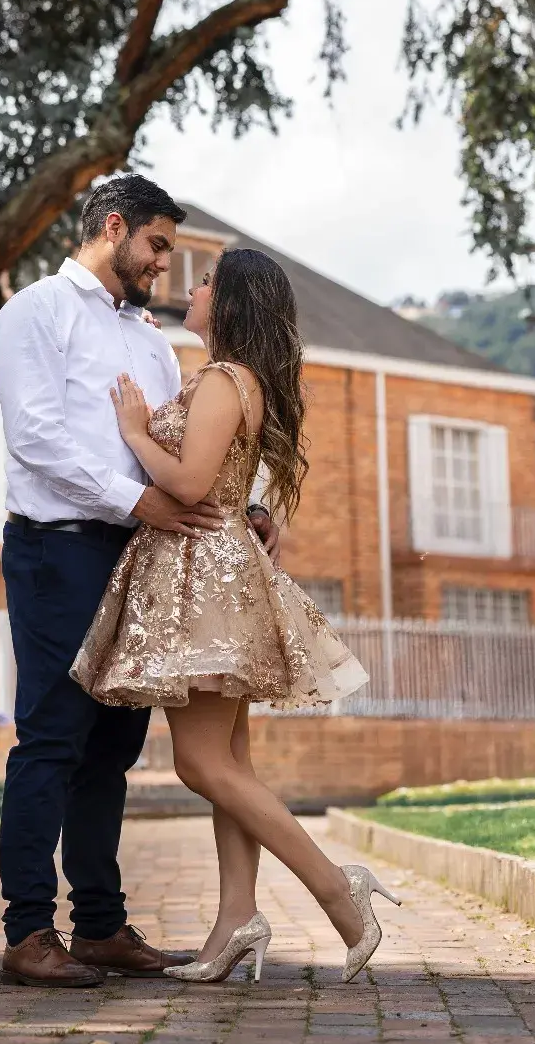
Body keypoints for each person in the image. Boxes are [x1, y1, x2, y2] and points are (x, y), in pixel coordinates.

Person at [71, 247, 402, 984]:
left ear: (229, 302)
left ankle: (335, 887)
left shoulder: (224, 380)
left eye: (206, 281)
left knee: (199, 763)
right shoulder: (230, 378)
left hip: (203, 575)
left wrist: (134, 432)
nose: (192, 288)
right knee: (232, 765)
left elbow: (190, 483)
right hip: (217, 568)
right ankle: (235, 922)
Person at [0, 175, 278, 988]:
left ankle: (100, 926)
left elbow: (184, 446)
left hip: (139, 557)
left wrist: (247, 507)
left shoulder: (152, 341)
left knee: (113, 747)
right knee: (53, 735)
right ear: (113, 228)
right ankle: (26, 932)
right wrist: (138, 500)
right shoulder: (35, 313)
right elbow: (36, 440)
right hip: (57, 551)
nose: (163, 265)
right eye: (156, 245)